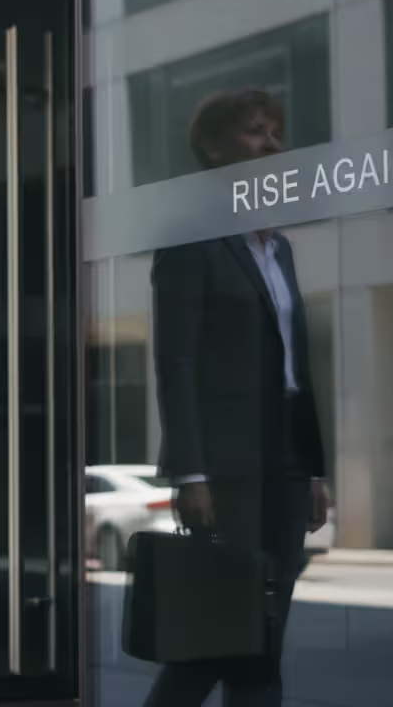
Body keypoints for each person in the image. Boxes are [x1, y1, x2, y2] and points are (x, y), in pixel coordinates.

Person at [146, 88, 330, 707]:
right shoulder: (192, 237)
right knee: (221, 634)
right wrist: (191, 471)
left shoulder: (278, 248)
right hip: (225, 465)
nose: (272, 144)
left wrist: (313, 468)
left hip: (285, 455)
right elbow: (177, 362)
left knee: (267, 631)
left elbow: (294, 367)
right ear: (213, 146)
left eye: (276, 132)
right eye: (256, 131)